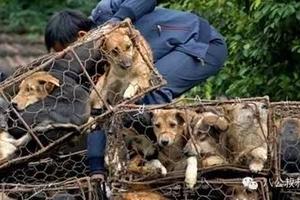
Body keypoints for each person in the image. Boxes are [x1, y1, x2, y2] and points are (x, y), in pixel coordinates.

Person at [44, 0, 228, 195]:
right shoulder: (96, 65)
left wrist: (117, 20)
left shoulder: (105, 12)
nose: (68, 61)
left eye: (67, 54)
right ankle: (120, 168)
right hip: (171, 55)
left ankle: (166, 158)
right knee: (114, 104)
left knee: (146, 93)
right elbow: (99, 111)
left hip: (200, 42)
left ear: (82, 37)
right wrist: (95, 169)